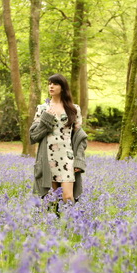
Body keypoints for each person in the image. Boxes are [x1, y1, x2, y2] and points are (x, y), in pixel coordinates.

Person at [29, 73, 87, 204]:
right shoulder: (42, 109)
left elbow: (80, 139)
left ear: (63, 87)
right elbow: (34, 136)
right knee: (53, 199)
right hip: (48, 158)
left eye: (55, 84)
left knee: (67, 197)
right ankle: (55, 223)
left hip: (67, 158)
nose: (51, 86)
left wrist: (79, 160)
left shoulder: (74, 109)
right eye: (49, 83)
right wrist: (46, 119)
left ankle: (72, 223)